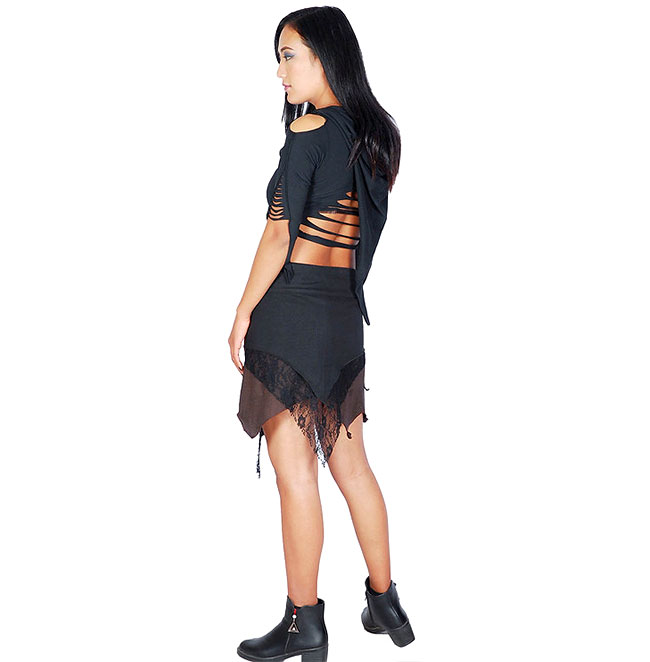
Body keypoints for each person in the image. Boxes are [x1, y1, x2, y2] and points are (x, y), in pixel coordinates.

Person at [228, 7, 414, 661]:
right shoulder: (375, 137)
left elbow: (279, 233)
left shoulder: (308, 131)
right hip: (341, 322)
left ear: (327, 56)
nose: (280, 72)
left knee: (297, 476)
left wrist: (242, 311)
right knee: (353, 468)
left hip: (290, 318)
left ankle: (303, 622)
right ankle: (385, 600)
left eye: (290, 55)